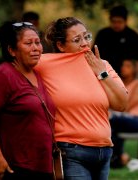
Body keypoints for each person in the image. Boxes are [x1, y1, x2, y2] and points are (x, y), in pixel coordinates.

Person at [35, 17, 128, 180]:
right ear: (60, 45)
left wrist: (102, 73)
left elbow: (121, 104)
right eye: (77, 40)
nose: (85, 43)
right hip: (71, 150)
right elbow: (16, 63)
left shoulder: (103, 65)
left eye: (86, 36)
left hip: (104, 151)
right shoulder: (45, 64)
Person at [0, 21, 55, 180]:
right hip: (12, 167)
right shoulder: (2, 75)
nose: (36, 48)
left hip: (40, 165)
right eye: (28, 43)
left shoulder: (37, 74)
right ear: (11, 50)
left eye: (38, 42)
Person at [109, 59, 138, 168]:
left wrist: (116, 104)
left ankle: (117, 157)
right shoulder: (118, 83)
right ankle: (117, 158)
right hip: (121, 119)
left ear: (134, 69)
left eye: (128, 66)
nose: (123, 68)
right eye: (123, 65)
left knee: (111, 119)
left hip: (137, 121)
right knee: (111, 126)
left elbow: (126, 106)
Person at [94, 5, 138, 75]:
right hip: (104, 75)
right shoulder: (102, 35)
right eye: (114, 21)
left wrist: (133, 78)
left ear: (125, 21)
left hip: (126, 78)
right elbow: (93, 55)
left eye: (119, 22)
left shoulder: (135, 37)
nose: (116, 25)